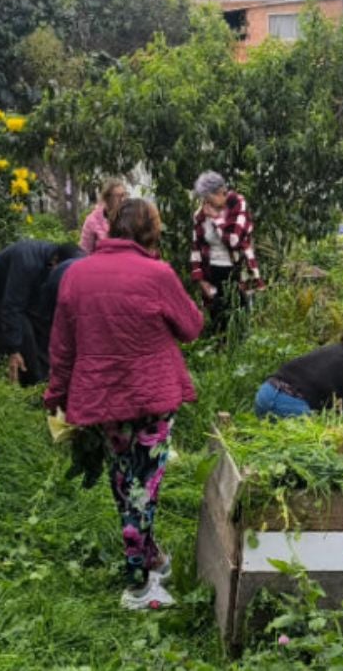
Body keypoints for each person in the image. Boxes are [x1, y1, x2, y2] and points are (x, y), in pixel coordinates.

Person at [45, 198, 202, 610]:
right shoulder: (157, 273)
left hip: (104, 400)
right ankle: (138, 586)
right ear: (150, 231)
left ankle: (150, 558)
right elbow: (191, 327)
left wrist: (55, 395)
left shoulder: (76, 275)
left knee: (126, 481)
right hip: (151, 399)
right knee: (144, 487)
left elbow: (61, 345)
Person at [0, 240, 84, 386]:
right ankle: (33, 383)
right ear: (55, 263)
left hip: (34, 283)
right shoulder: (27, 263)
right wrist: (13, 349)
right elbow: (12, 306)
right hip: (0, 287)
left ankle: (49, 377)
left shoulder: (59, 262)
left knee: (43, 326)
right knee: (24, 332)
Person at [189, 171, 264, 333]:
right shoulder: (200, 214)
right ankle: (221, 352)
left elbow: (234, 241)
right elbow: (196, 249)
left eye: (209, 197)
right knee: (219, 321)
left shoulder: (238, 203)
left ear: (222, 191)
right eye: (204, 198)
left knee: (240, 320)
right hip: (213, 272)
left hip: (236, 271)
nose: (206, 203)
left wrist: (216, 219)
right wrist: (201, 281)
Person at [79, 179, 128, 254]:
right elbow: (84, 251)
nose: (122, 200)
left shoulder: (130, 217)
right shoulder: (92, 221)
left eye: (124, 195)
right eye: (118, 196)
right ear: (107, 198)